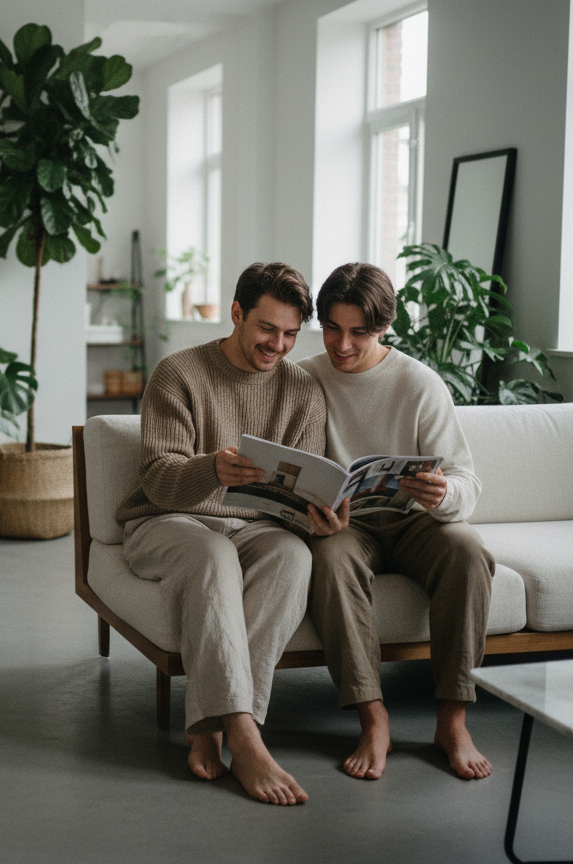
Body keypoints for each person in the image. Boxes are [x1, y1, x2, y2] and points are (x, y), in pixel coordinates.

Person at [116, 262, 346, 805]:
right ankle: (245, 736)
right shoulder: (178, 373)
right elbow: (156, 479)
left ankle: (209, 723)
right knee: (212, 554)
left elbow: (296, 487)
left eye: (291, 334)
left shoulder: (303, 390)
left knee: (293, 557)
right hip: (165, 519)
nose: (279, 345)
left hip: (254, 525)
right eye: (268, 329)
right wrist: (210, 470)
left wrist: (320, 512)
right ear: (237, 314)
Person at [299, 262, 495, 782]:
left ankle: (452, 719)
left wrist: (442, 493)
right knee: (330, 559)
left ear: (384, 327)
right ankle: (373, 716)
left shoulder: (418, 384)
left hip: (413, 522)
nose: (342, 345)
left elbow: (465, 483)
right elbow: (294, 471)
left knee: (468, 551)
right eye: (332, 328)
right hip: (347, 526)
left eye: (358, 333)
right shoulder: (305, 379)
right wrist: (313, 513)